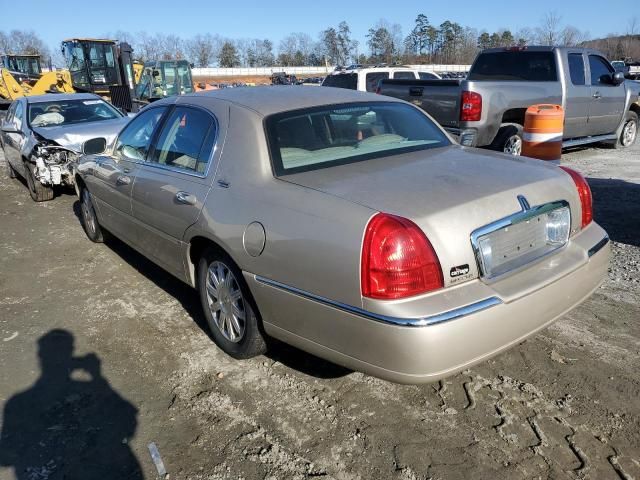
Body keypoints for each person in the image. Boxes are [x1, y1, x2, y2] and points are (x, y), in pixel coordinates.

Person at [0, 329, 143, 479]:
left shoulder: (17, 402)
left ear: (40, 357)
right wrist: (97, 375)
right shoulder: (18, 402)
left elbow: (6, 459)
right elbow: (130, 421)